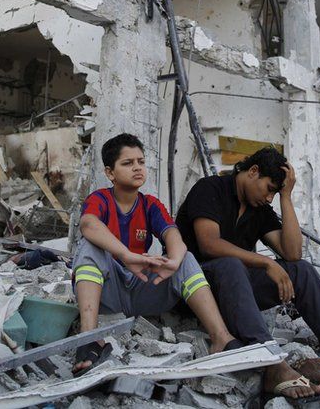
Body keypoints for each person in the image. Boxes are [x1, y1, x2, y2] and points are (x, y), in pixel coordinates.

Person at [175, 147, 320, 399]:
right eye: (270, 188)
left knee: (300, 271)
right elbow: (209, 244)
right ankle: (274, 366)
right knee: (231, 264)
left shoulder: (258, 208)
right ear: (253, 171)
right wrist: (266, 262)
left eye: (275, 192)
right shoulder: (210, 189)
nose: (270, 197)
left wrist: (286, 197)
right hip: (196, 288)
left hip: (236, 292)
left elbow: (292, 253)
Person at [70, 133, 240, 375]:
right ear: (110, 173)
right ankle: (88, 339)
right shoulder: (100, 199)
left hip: (142, 289)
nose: (137, 168)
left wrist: (174, 260)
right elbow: (88, 225)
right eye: (127, 163)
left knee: (186, 258)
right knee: (89, 247)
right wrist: (126, 255)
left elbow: (174, 237)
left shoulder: (150, 204)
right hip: (109, 290)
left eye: (140, 161)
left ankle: (221, 337)